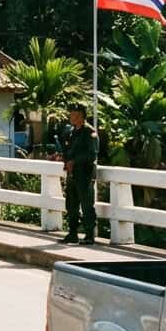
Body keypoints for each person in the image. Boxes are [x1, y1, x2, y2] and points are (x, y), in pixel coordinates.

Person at [60, 104, 99, 245]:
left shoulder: (90, 132)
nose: (73, 118)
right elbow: (68, 151)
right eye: (72, 115)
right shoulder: (71, 132)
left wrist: (75, 161)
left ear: (83, 117)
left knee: (87, 204)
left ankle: (89, 235)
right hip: (72, 173)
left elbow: (92, 153)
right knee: (71, 204)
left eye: (76, 116)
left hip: (85, 173)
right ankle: (72, 233)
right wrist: (67, 162)